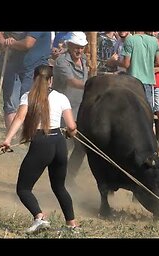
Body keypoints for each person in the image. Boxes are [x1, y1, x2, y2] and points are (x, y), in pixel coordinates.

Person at [0, 65, 79, 233]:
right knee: (59, 187)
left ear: (35, 79)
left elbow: (20, 118)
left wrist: (7, 139)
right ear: (51, 80)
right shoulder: (61, 97)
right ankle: (72, 225)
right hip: (58, 142)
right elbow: (71, 126)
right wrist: (71, 132)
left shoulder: (28, 97)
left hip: (41, 143)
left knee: (23, 188)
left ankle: (39, 217)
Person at [0, 32, 52, 132]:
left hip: (35, 69)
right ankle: (12, 138)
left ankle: (28, 136)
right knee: (11, 104)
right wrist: (3, 41)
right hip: (12, 65)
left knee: (30, 103)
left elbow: (27, 44)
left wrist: (11, 43)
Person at [52, 32, 89, 186]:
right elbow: (71, 81)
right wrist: (92, 85)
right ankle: (57, 177)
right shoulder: (62, 61)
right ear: (69, 45)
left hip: (81, 108)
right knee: (62, 147)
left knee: (81, 148)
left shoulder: (86, 60)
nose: (79, 51)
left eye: (82, 48)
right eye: (76, 47)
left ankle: (69, 176)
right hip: (63, 109)